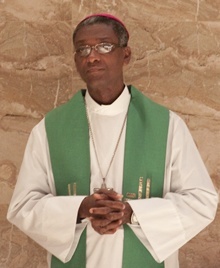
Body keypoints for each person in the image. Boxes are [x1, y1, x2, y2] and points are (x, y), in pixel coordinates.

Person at [7, 13, 218, 268]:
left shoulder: (168, 126)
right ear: (75, 59)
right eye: (82, 49)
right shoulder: (48, 130)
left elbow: (202, 201)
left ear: (125, 55)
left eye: (104, 46)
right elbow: (22, 206)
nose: (92, 56)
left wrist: (133, 214)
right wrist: (81, 209)